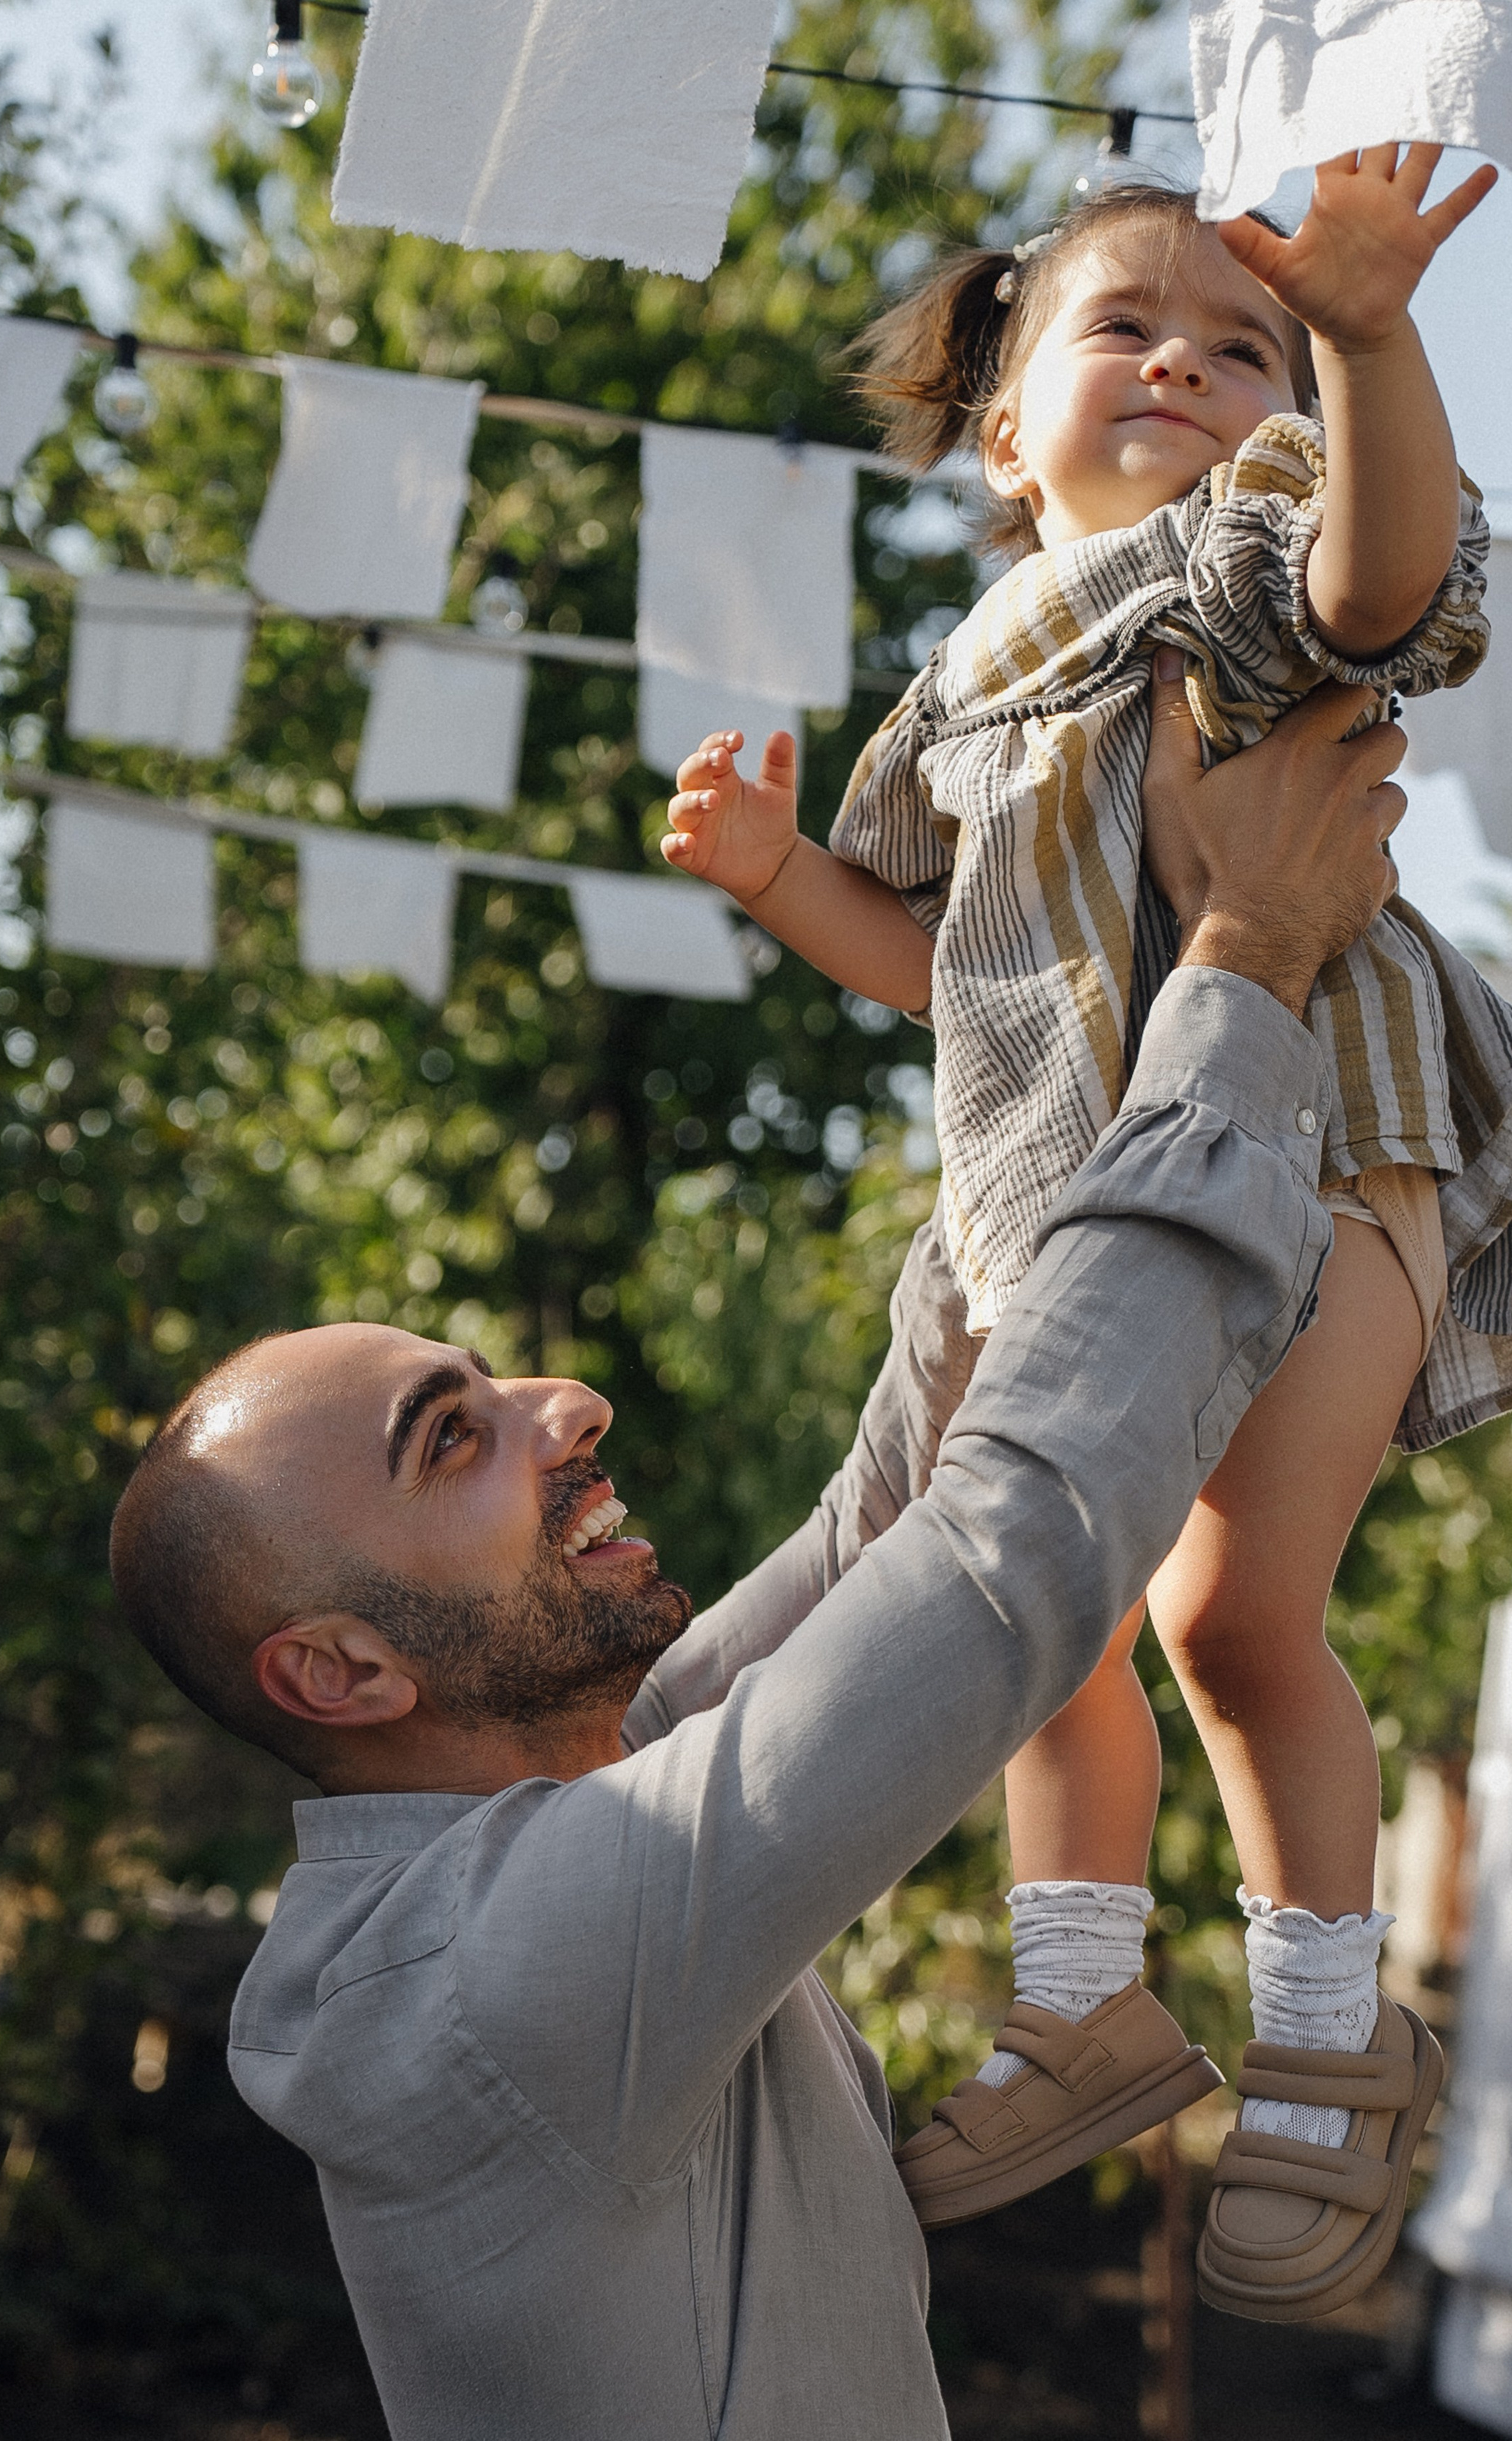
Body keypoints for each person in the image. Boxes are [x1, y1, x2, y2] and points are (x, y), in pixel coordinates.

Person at [111, 669, 1412, 2435]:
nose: (564, 1406)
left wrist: (1035, 1099)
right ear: (343, 1672)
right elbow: (998, 1555)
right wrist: (1243, 968)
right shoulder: (488, 1983)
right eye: (455, 1436)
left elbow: (881, 1514)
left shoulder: (569, 1796)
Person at [661, 149, 1512, 2314]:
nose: (1185, 355)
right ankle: (1080, 2004)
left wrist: (1360, 338)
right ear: (1005, 432)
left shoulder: (1228, 566)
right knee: (1039, 1614)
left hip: (1328, 1145)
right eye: (1126, 326)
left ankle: (1334, 2046)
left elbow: (1387, 585)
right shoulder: (979, 675)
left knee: (1231, 1613)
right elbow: (959, 965)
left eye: (1235, 337)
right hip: (1068, 1200)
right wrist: (792, 880)